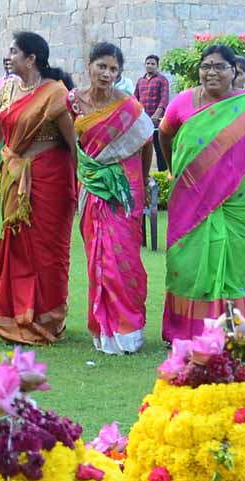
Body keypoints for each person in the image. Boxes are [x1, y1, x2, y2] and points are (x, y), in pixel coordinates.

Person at [158, 44, 245, 342]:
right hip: (191, 199)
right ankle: (190, 331)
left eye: (220, 66)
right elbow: (165, 134)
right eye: (206, 66)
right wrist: (177, 170)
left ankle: (240, 329)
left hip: (241, 204)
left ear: (235, 72)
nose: (212, 72)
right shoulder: (183, 102)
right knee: (188, 263)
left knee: (240, 264)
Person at [0, 31, 77, 345]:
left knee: (48, 252)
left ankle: (47, 319)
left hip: (51, 181)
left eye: (14, 52)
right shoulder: (7, 88)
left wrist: (85, 184)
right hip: (14, 179)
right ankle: (16, 315)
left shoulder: (56, 93)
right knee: (18, 247)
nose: (8, 57)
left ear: (31, 58)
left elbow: (75, 144)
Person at [67, 43, 154, 354]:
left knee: (123, 259)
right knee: (97, 258)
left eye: (113, 69)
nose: (107, 74)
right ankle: (104, 330)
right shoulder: (73, 101)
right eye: (102, 66)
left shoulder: (129, 107)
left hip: (124, 190)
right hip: (91, 187)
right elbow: (73, 144)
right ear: (89, 65)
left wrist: (141, 183)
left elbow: (146, 144)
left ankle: (128, 331)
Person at [135, 54, 170, 171]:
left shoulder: (162, 80)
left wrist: (156, 116)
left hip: (156, 124)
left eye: (153, 64)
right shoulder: (140, 81)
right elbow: (135, 100)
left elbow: (164, 99)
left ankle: (163, 174)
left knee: (160, 150)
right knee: (141, 151)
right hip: (142, 123)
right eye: (148, 63)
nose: (150, 66)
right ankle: (143, 176)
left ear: (157, 66)